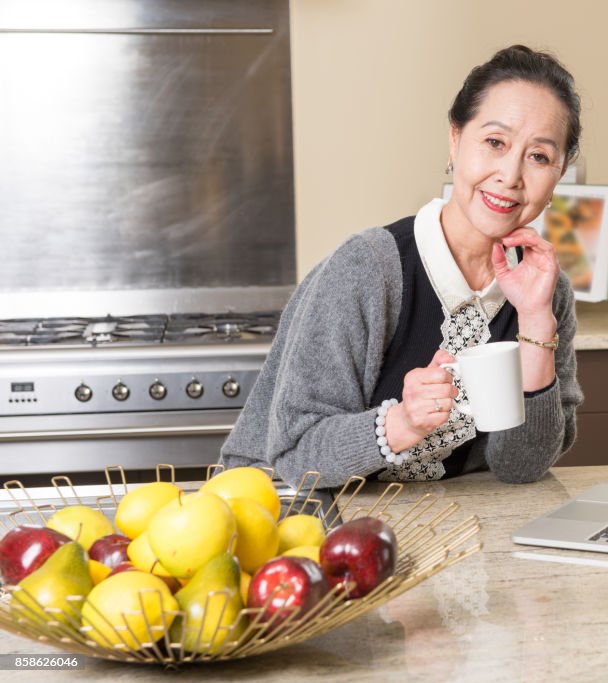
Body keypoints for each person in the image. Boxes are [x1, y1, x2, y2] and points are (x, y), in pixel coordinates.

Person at [220, 45, 584, 487]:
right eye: (494, 142)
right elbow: (296, 456)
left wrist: (535, 323)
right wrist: (402, 424)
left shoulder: (546, 292)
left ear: (559, 175)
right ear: (454, 139)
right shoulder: (370, 267)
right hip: (289, 515)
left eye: (539, 156)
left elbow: (520, 467)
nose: (510, 175)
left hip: (438, 524)